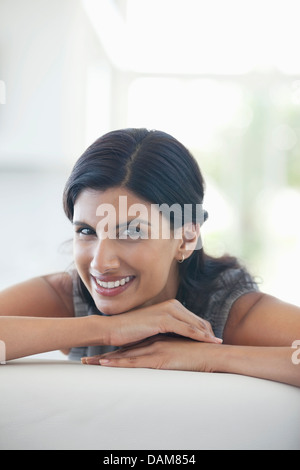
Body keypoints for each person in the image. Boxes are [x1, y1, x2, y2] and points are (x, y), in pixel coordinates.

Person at [0, 128, 299, 387]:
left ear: (185, 238)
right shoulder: (69, 296)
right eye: (87, 231)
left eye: (130, 233)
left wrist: (211, 357)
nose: (100, 263)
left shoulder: (226, 307)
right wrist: (108, 327)